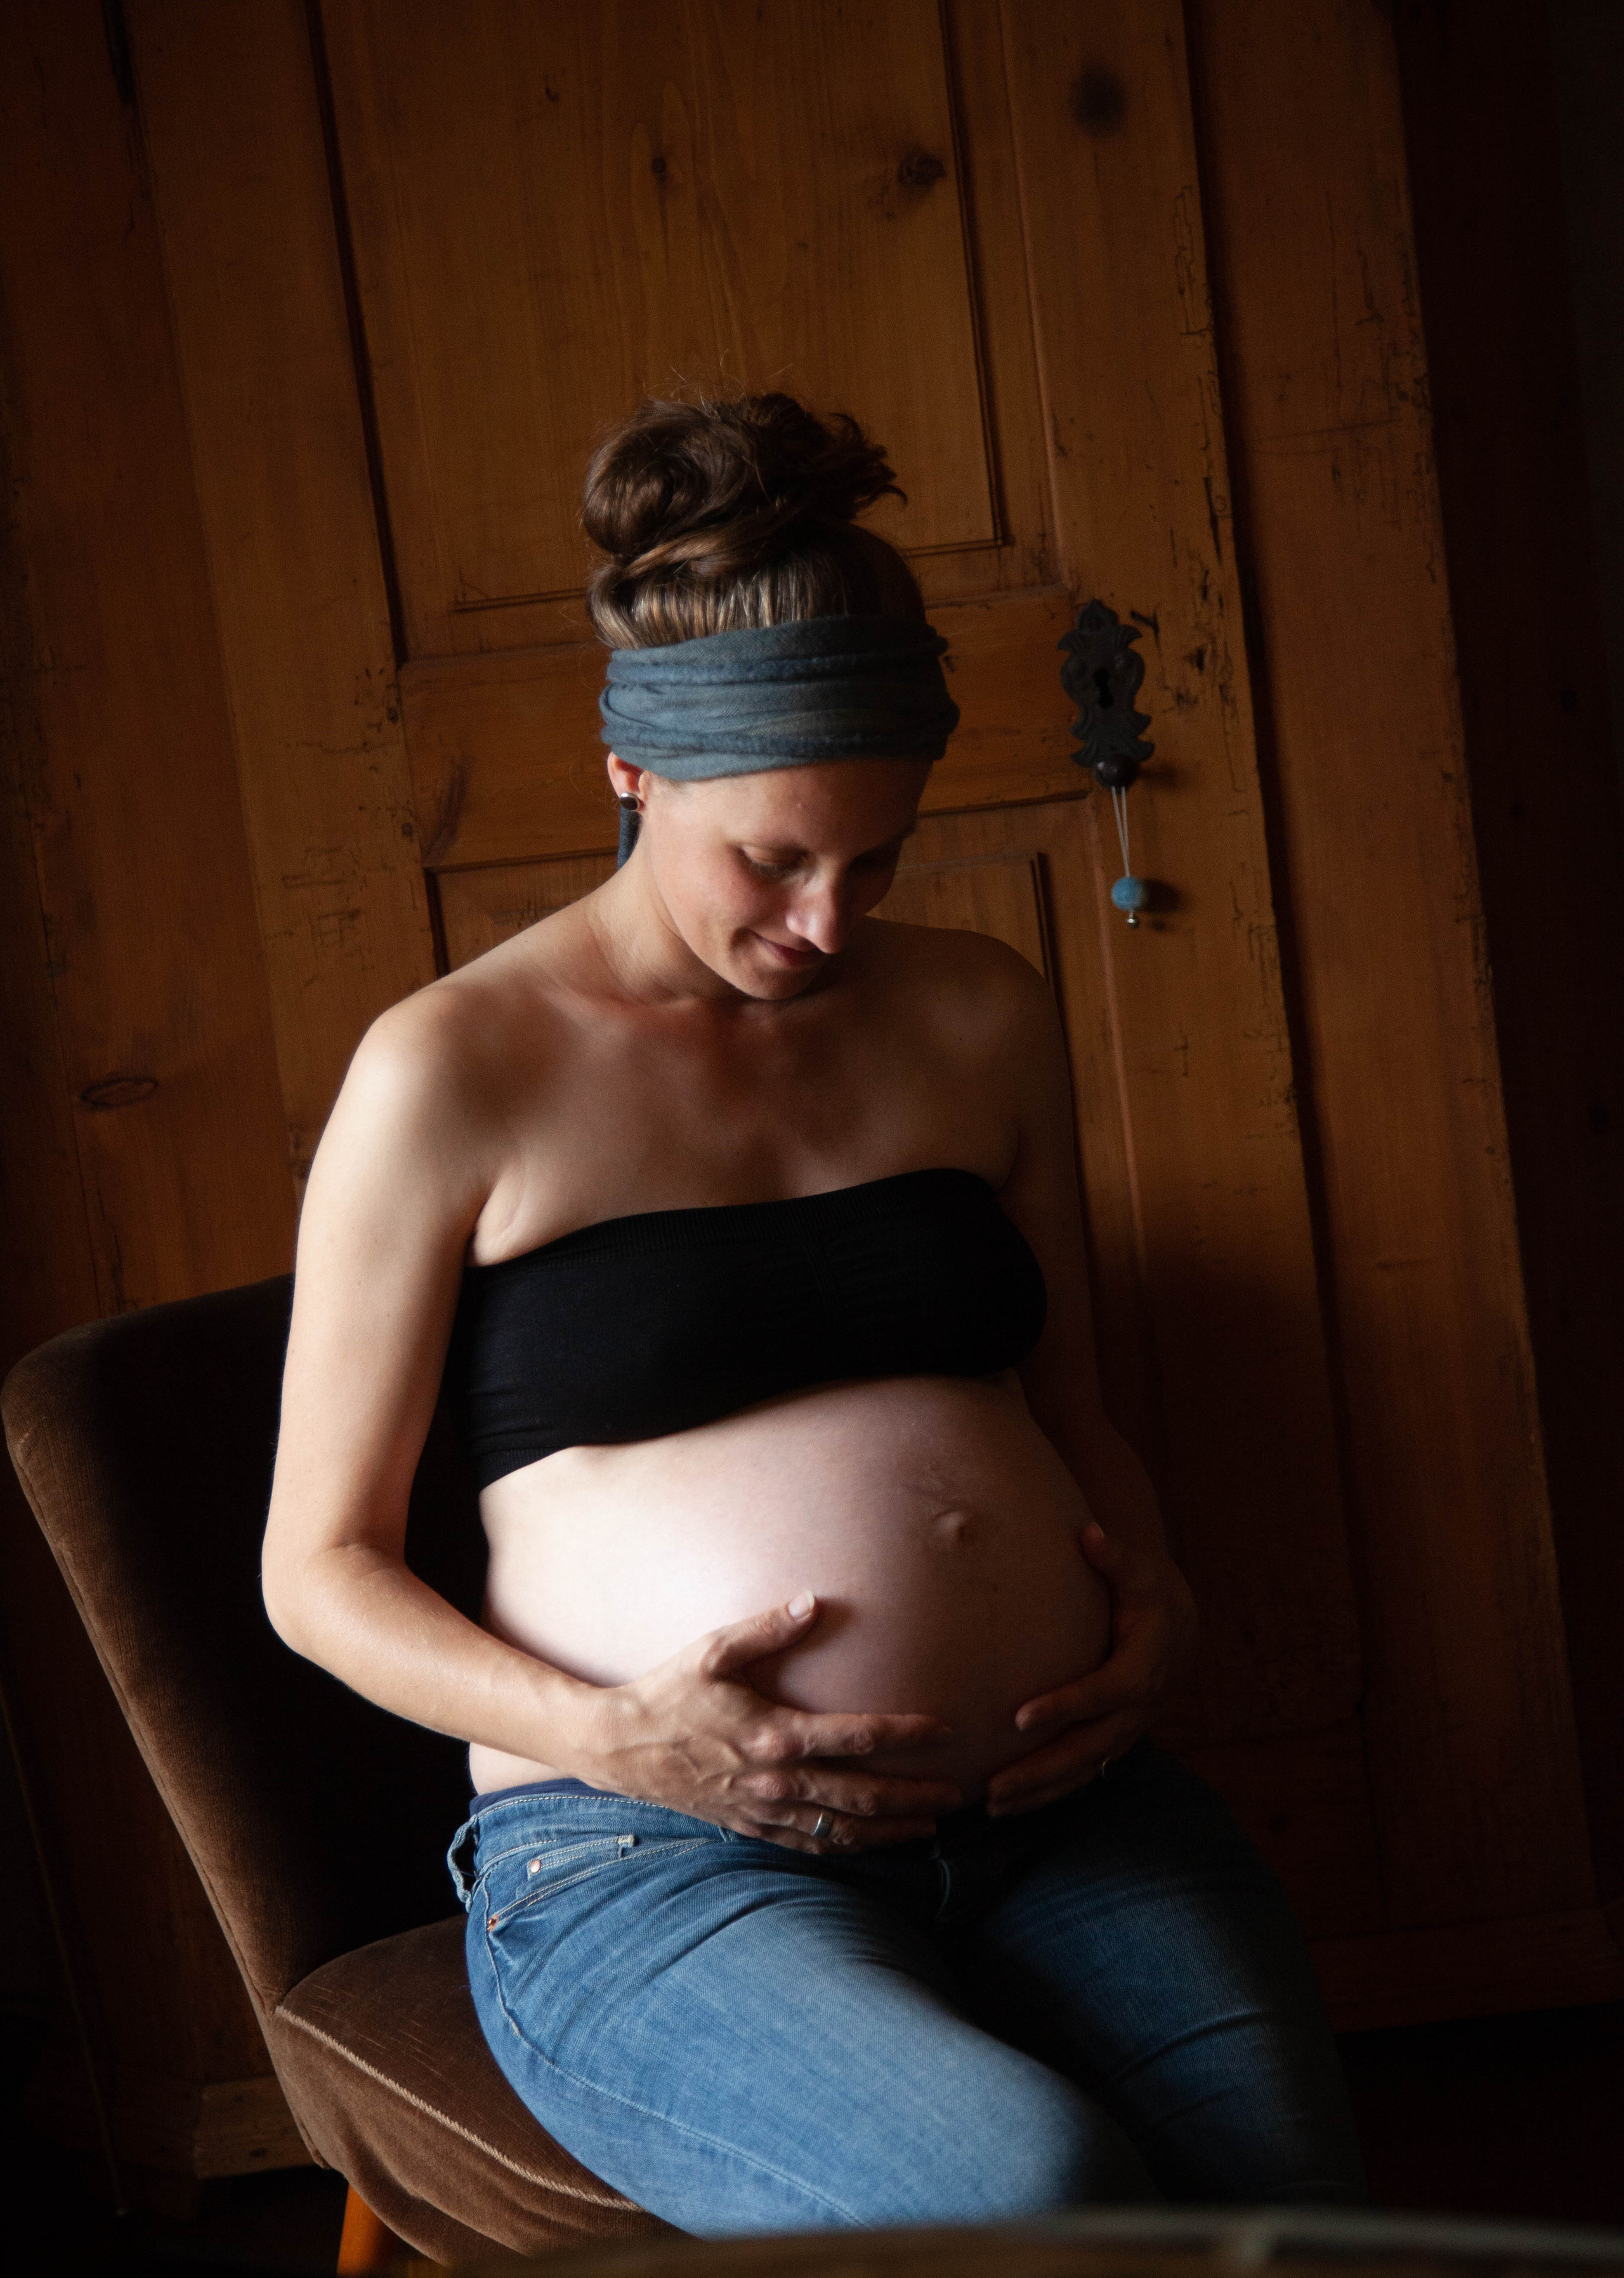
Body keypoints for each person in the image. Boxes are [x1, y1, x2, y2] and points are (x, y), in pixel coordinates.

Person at [263, 393, 1367, 2233]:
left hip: (1057, 1806)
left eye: (878, 858)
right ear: (632, 771)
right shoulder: (451, 1072)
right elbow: (319, 1574)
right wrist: (621, 1736)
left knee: (1298, 2222)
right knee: (1029, 2194)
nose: (830, 922)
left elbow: (1063, 1395)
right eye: (772, 862)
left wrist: (1153, 1593)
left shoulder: (979, 1014)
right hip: (649, 1852)